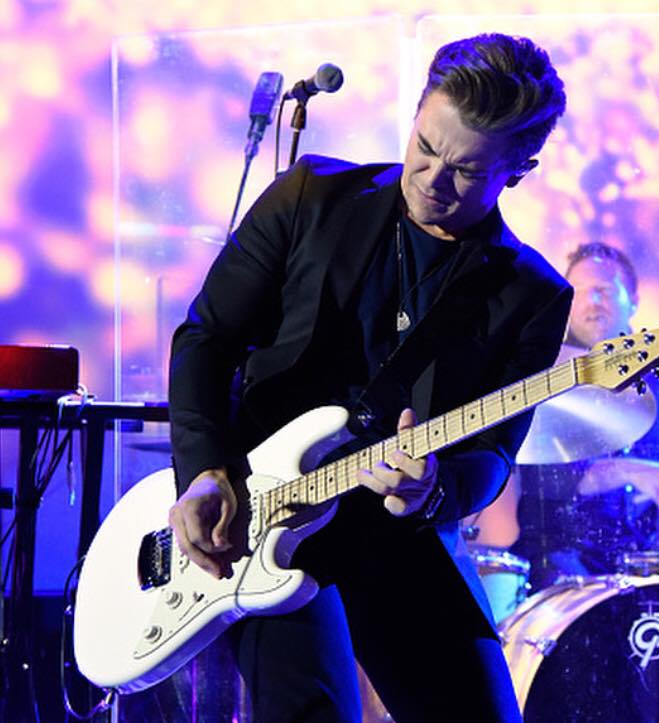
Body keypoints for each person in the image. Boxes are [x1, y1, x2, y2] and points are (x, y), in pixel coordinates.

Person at [167, 33, 571, 722]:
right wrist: (204, 470)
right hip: (264, 509)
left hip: (395, 533)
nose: (431, 179)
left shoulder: (530, 294)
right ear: (415, 114)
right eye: (425, 146)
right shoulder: (309, 198)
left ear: (519, 170)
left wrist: (433, 489)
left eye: (466, 171)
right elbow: (207, 338)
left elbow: (493, 454)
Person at [472, 241, 659, 593]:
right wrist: (626, 471)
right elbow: (545, 484)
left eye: (604, 290)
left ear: (633, 301)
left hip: (638, 568)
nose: (592, 302)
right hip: (557, 569)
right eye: (580, 292)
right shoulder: (545, 374)